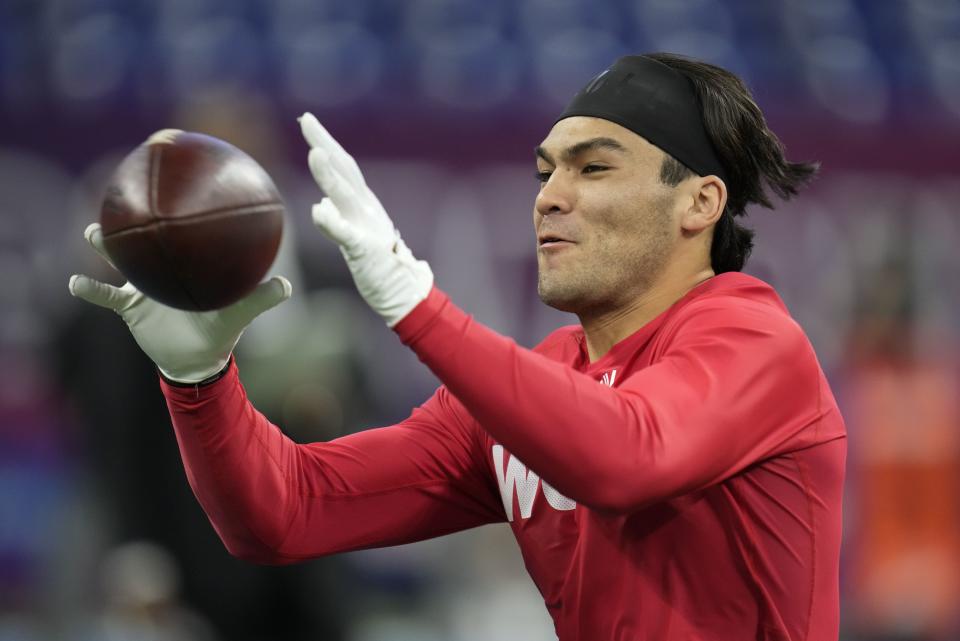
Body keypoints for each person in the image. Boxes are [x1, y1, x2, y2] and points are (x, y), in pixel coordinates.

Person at [69, 54, 846, 640]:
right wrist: (198, 378)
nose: (550, 194)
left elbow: (627, 456)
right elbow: (282, 513)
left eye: (594, 166)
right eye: (545, 171)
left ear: (699, 202)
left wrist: (416, 305)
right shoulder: (536, 389)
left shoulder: (753, 338)